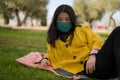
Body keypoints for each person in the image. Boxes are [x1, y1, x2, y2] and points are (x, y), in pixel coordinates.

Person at [39, 4, 120, 79]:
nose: (63, 22)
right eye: (59, 19)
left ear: (72, 20)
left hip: (97, 60)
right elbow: (50, 53)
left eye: (67, 19)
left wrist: (93, 54)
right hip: (90, 70)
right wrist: (44, 59)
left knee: (118, 31)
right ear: (55, 21)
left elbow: (97, 40)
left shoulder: (82, 29)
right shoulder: (52, 38)